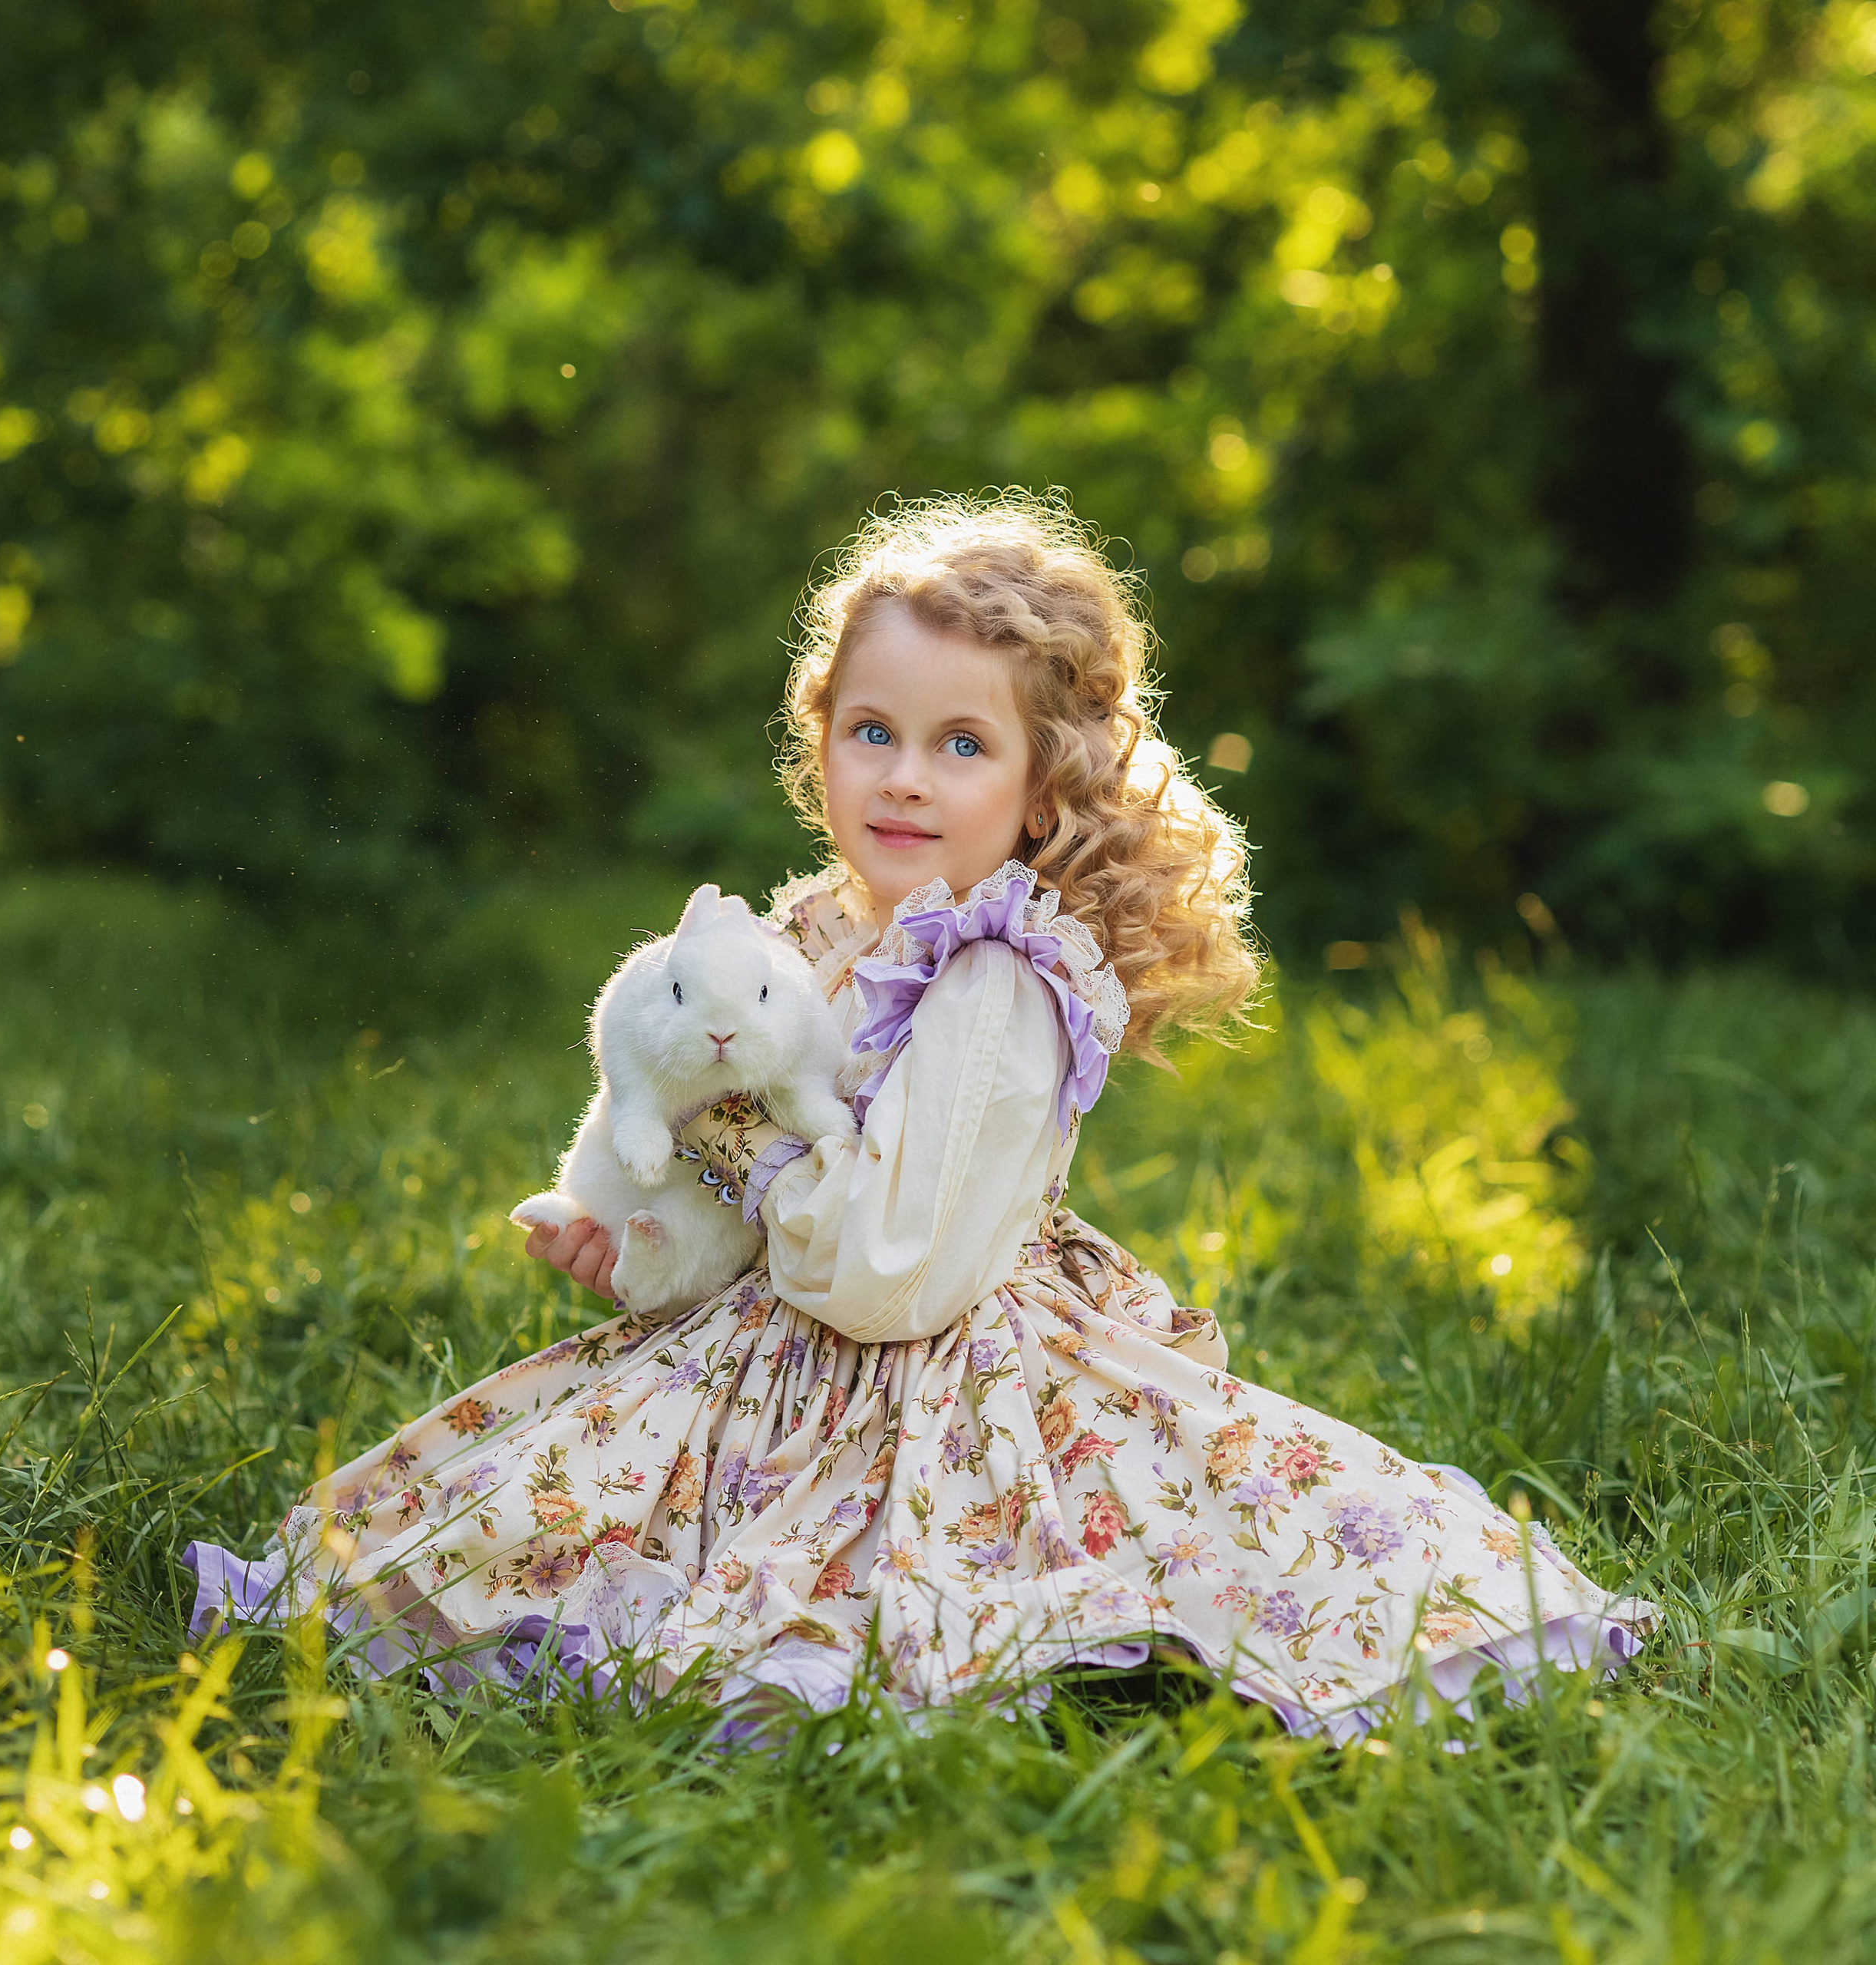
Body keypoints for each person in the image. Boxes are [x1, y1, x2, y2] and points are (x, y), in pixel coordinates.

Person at [184, 494, 1653, 1738]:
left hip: (941, 1357)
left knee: (960, 1567)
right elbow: (751, 1226)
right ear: (818, 740)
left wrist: (729, 1141)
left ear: (1039, 786)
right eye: (873, 729)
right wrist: (641, 1251)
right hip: (776, 1348)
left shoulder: (994, 980)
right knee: (536, 1500)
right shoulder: (820, 931)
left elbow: (888, 1270)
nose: (904, 774)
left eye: (963, 745)